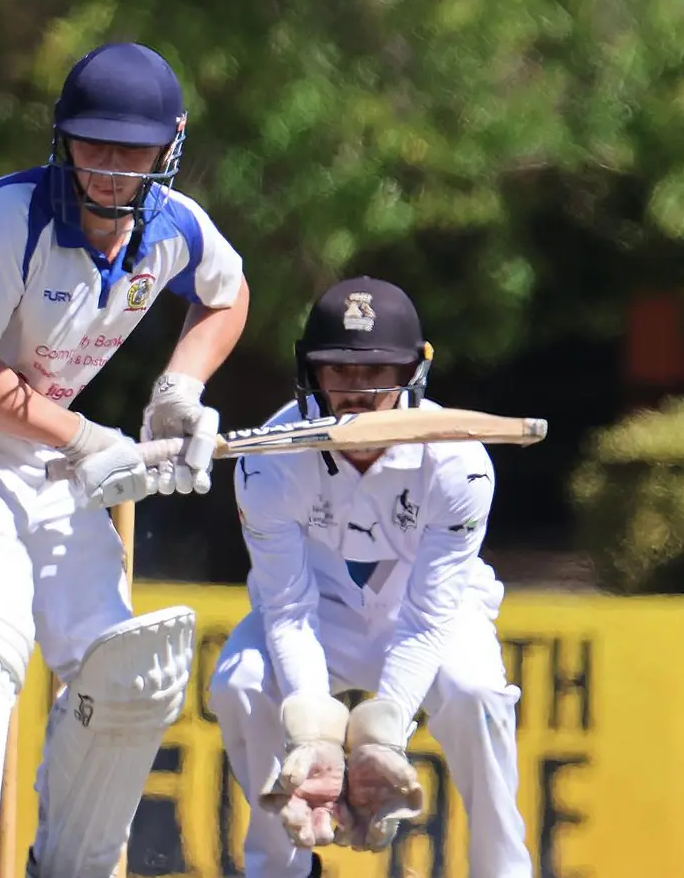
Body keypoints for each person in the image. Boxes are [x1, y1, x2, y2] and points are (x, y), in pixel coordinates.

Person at [0, 41, 251, 878]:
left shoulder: (176, 228)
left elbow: (228, 294)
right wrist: (85, 439)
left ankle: (69, 865)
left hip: (36, 445)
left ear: (170, 145)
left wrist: (178, 389)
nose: (109, 168)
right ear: (62, 138)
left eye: (132, 151)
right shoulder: (11, 218)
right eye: (92, 144)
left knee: (128, 671)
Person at [207, 276, 531, 878]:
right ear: (311, 371)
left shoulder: (459, 465)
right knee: (240, 685)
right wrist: (314, 733)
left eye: (376, 371)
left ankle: (503, 869)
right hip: (318, 616)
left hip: (429, 612)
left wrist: (384, 734)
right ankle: (281, 869)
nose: (356, 391)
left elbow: (428, 617)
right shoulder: (269, 460)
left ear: (412, 371)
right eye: (339, 370)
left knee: (476, 695)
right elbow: (288, 609)